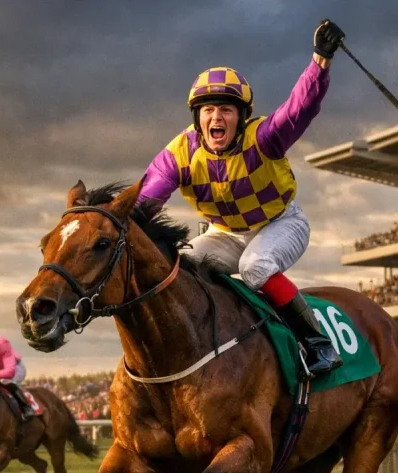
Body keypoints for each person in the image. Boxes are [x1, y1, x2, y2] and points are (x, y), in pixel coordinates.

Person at [137, 19, 347, 377]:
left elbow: (300, 108)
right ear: (197, 116)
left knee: (255, 267)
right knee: (179, 263)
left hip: (281, 223)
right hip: (225, 233)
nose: (216, 117)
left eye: (226, 110)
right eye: (208, 110)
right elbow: (144, 201)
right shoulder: (178, 154)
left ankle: (318, 344)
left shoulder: (264, 137)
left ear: (241, 117)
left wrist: (320, 62)